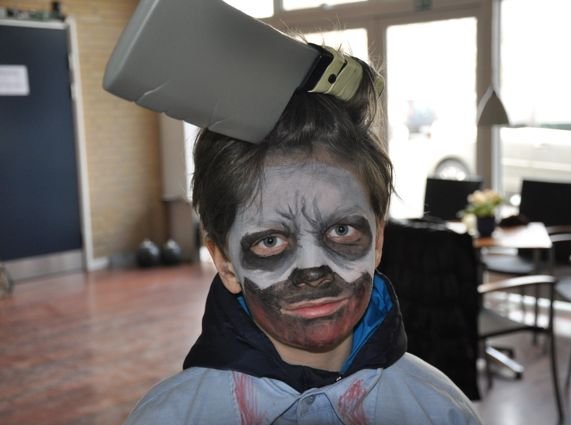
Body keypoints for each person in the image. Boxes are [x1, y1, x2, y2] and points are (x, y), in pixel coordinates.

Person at [122, 47, 482, 424]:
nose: (312, 269)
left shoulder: (438, 410)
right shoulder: (171, 417)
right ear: (225, 262)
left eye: (341, 230)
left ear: (377, 241)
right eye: (271, 241)